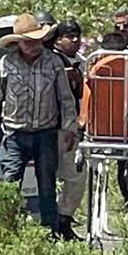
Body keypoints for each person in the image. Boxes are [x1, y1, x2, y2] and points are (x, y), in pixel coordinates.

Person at [0, 13, 78, 234]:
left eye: (37, 41)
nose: (34, 46)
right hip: (15, 134)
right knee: (10, 183)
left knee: (47, 184)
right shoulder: (7, 63)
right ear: (18, 43)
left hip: (46, 133)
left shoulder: (53, 62)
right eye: (29, 42)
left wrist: (69, 129)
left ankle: (49, 232)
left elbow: (66, 98)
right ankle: (6, 231)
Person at [48, 17, 87, 240]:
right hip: (52, 124)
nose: (74, 40)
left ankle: (64, 219)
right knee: (49, 176)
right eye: (68, 36)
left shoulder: (83, 61)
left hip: (73, 126)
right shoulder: (52, 60)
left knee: (75, 176)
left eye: (76, 36)